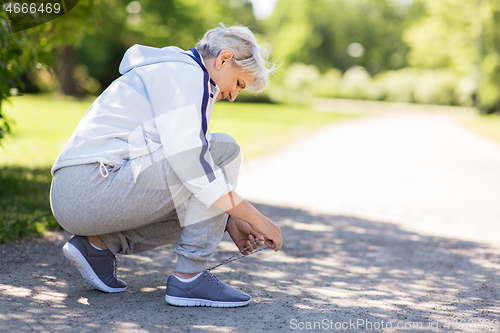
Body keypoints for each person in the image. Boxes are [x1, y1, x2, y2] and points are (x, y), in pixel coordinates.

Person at [49, 24, 282, 308]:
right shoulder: (188, 75)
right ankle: (190, 278)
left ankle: (98, 246)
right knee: (223, 150)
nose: (233, 95)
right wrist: (260, 221)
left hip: (77, 191)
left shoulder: (176, 71)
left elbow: (185, 173)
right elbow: (196, 171)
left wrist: (229, 220)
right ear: (223, 59)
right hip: (91, 186)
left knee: (207, 170)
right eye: (239, 84)